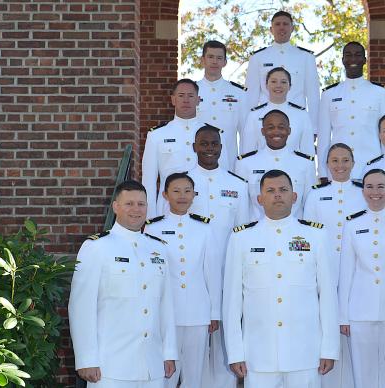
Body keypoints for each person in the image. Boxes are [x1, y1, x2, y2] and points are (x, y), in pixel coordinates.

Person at [223, 169, 339, 388]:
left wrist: (329, 348)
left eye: (283, 190)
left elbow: (328, 297)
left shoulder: (316, 236)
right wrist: (235, 352)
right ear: (259, 199)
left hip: (305, 352)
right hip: (258, 354)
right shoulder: (241, 238)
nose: (278, 195)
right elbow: (232, 302)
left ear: (294, 196)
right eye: (270, 190)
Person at [68, 180, 177, 387]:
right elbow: (81, 308)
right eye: (129, 204)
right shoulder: (96, 247)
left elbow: (166, 306)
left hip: (151, 366)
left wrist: (168, 352)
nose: (136, 209)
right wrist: (86, 359)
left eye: (141, 204)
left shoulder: (159, 249)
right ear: (116, 207)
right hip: (110, 368)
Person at [144, 172, 222, 388]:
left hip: (198, 311)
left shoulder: (204, 228)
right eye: (176, 191)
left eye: (188, 191)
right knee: (165, 373)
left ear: (194, 195)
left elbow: (212, 273)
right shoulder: (153, 227)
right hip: (165, 311)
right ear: (165, 194)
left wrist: (214, 311)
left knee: (194, 374)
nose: (182, 196)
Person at [338, 169, 385, 388]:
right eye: (369, 186)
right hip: (360, 311)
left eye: (381, 186)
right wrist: (344, 316)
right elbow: (346, 272)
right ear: (363, 191)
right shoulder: (352, 224)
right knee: (363, 374)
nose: (375, 192)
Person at [186, 125, 249, 388]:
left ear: (222, 148)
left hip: (227, 273)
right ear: (194, 147)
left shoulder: (237, 185)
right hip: (192, 277)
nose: (209, 149)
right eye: (204, 144)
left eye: (214, 144)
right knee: (194, 351)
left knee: (225, 346)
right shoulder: (182, 182)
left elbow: (243, 231)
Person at [303, 143, 366, 388]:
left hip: (357, 272)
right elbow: (307, 234)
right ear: (327, 164)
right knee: (326, 330)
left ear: (353, 163)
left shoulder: (363, 192)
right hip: (325, 271)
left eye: (345, 160)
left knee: (353, 336)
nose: (340, 165)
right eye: (334, 161)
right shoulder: (316, 194)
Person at [317, 42, 385, 180]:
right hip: (339, 170)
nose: (353, 59)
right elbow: (324, 138)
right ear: (342, 60)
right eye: (348, 55)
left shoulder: (380, 93)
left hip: (372, 168)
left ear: (364, 60)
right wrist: (323, 173)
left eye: (358, 55)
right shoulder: (329, 94)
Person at [235, 109, 316, 221]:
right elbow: (242, 206)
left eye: (281, 127)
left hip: (295, 233)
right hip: (258, 231)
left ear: (289, 130)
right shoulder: (245, 163)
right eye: (270, 128)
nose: (276, 132)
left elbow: (310, 204)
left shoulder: (305, 163)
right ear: (263, 131)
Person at [245, 11, 320, 129]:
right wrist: (248, 126)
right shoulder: (258, 57)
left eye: (285, 24)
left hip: (297, 122)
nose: (281, 27)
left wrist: (314, 128)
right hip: (266, 121)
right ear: (271, 29)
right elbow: (251, 96)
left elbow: (313, 95)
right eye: (277, 24)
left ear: (292, 28)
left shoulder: (306, 57)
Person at [142, 78, 204, 218]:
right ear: (173, 100)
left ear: (198, 100)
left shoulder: (212, 134)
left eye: (191, 96)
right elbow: (149, 181)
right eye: (181, 96)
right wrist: (150, 219)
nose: (186, 100)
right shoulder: (157, 135)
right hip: (167, 208)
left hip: (202, 206)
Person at [197, 40, 247, 171]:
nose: (214, 61)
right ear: (203, 60)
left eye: (219, 58)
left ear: (225, 62)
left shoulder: (238, 93)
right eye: (210, 57)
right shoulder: (191, 91)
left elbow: (245, 134)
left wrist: (243, 165)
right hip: (196, 164)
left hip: (228, 164)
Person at [240, 67, 314, 156]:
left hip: (293, 167)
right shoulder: (254, 115)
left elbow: (308, 152)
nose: (278, 85)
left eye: (283, 82)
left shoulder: (302, 115)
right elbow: (248, 151)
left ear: (290, 86)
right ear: (266, 85)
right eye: (273, 81)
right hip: (262, 167)